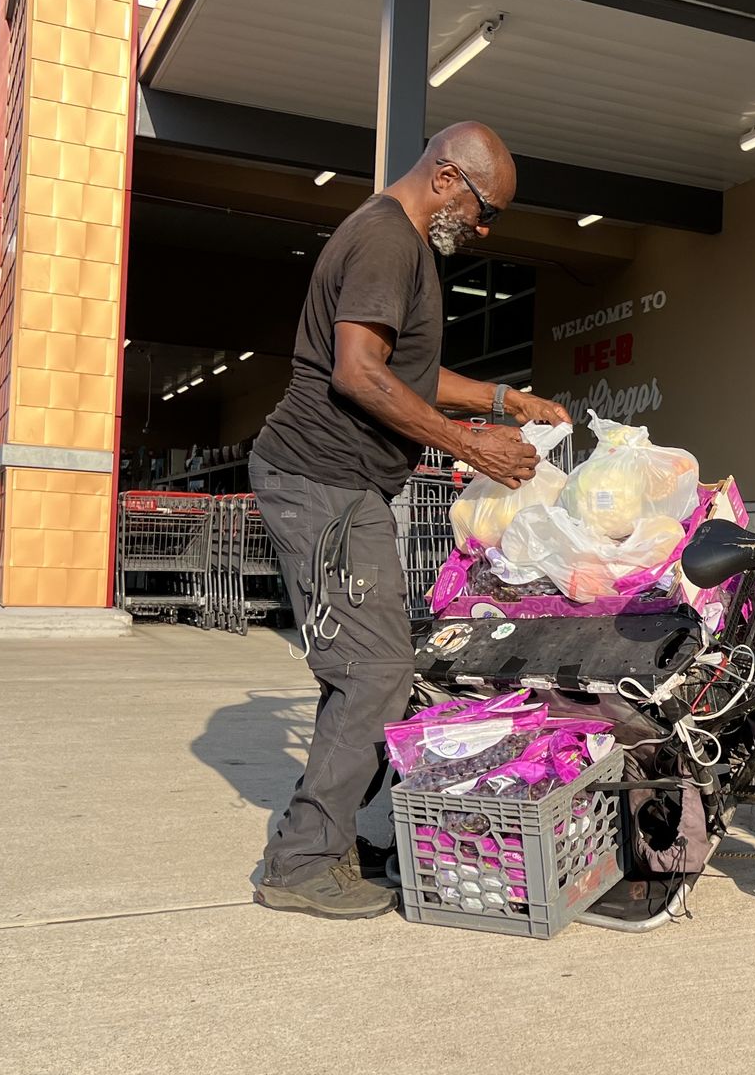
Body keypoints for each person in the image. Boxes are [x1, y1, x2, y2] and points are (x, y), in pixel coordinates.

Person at [247, 122, 570, 919]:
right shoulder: (387, 240)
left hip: (345, 487)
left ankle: (325, 835)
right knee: (375, 672)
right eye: (486, 208)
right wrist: (475, 449)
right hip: (320, 483)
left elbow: (409, 372)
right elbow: (359, 375)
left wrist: (504, 401)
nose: (486, 227)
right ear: (449, 175)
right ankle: (299, 863)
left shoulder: (401, 243)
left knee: (374, 667)